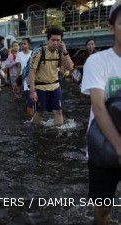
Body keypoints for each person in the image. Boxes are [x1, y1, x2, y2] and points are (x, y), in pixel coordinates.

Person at [81, 2, 121, 224]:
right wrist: (119, 146)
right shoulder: (97, 61)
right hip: (102, 147)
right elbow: (98, 105)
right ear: (111, 27)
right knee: (103, 210)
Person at [29, 27, 74, 126]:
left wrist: (65, 51)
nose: (55, 42)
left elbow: (70, 67)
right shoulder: (39, 52)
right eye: (53, 40)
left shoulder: (61, 52)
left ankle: (59, 133)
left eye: (58, 40)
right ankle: (35, 130)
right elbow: (32, 73)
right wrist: (32, 91)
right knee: (40, 112)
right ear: (47, 40)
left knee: (58, 111)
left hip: (55, 87)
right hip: (41, 87)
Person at [17, 38, 34, 116]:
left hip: (33, 78)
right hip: (24, 78)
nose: (22, 45)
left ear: (29, 45)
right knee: (27, 97)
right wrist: (18, 79)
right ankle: (30, 114)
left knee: (32, 97)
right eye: (22, 44)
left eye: (24, 44)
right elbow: (19, 67)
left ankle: (32, 114)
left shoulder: (33, 53)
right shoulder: (19, 54)